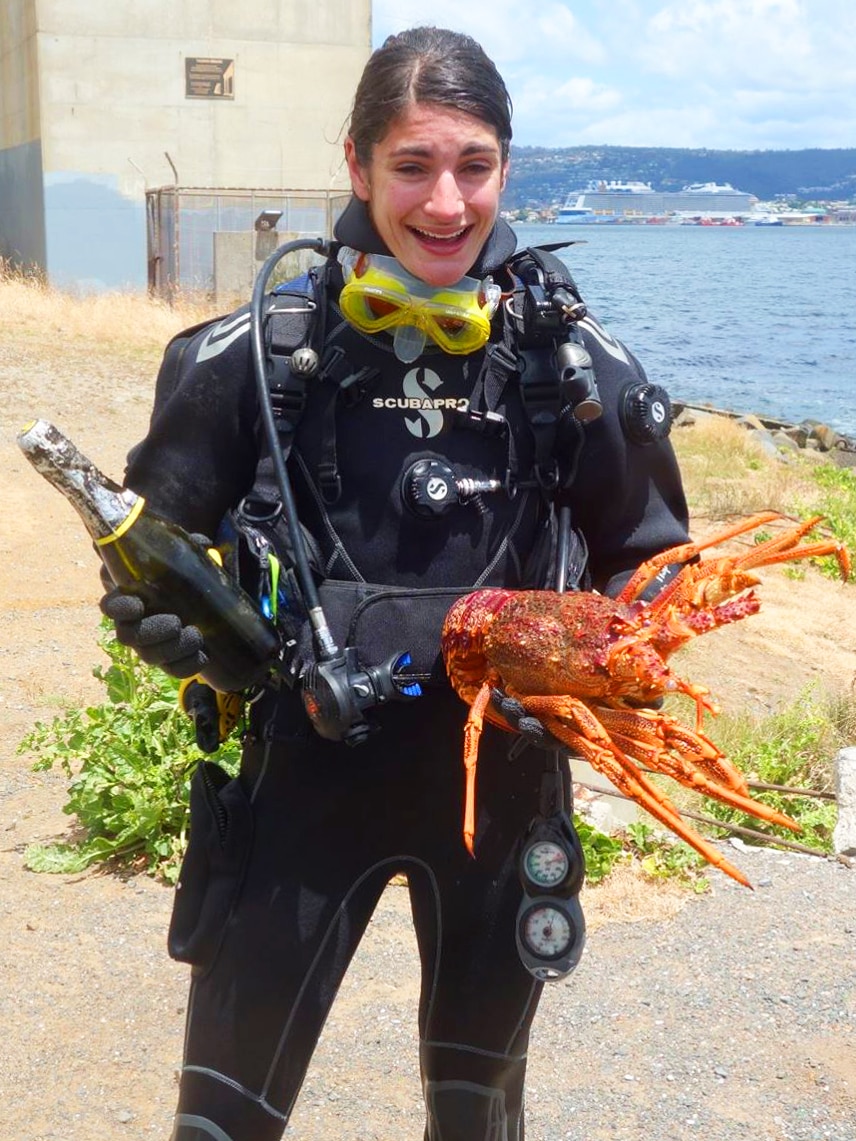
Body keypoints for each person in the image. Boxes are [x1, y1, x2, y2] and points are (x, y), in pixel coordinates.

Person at [101, 26, 691, 1141]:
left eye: (472, 164)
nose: (444, 201)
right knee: (220, 1121)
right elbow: (149, 540)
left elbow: (653, 564)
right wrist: (171, 629)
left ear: (505, 169)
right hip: (301, 781)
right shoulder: (252, 359)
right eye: (412, 165)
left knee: (477, 1118)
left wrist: (607, 671)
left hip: (503, 783)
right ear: (356, 163)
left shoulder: (572, 369)